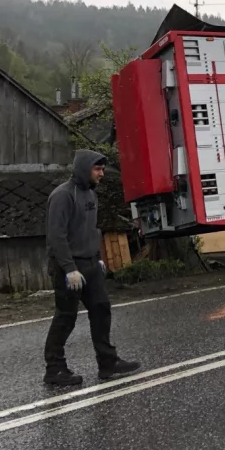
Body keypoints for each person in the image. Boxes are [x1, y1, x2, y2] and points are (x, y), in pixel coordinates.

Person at [43, 149, 140, 386]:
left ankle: (107, 362)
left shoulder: (91, 195)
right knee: (66, 317)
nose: (102, 174)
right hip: (68, 267)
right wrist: (69, 268)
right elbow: (56, 236)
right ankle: (54, 370)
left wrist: (97, 257)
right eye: (97, 169)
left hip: (89, 264)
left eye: (102, 169)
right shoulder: (63, 196)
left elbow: (91, 230)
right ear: (84, 169)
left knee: (101, 309)